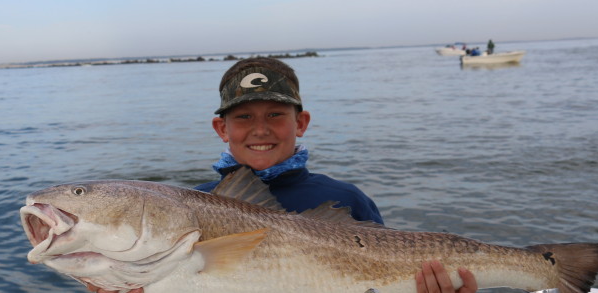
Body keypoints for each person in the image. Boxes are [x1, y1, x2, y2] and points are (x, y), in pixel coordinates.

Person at [194, 57, 479, 293]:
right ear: (222, 129)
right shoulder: (195, 203)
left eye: (275, 114)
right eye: (244, 117)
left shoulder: (346, 199)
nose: (260, 129)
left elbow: (386, 272)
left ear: (301, 123)